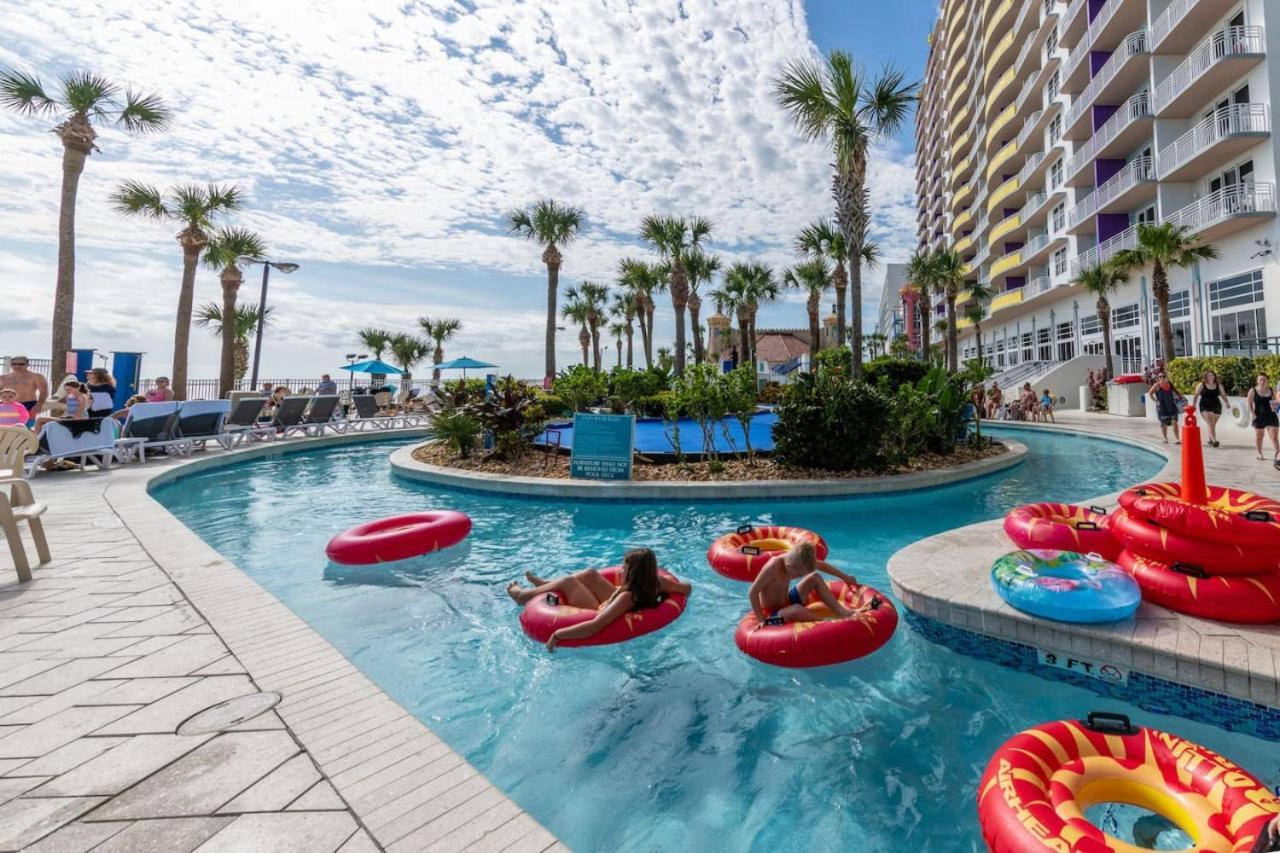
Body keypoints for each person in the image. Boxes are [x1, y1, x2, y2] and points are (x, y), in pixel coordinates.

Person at [505, 548, 692, 652]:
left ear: (633, 572)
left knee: (568, 582)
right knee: (590, 574)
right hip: (618, 596)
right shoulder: (657, 583)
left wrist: (557, 634)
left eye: (625, 567)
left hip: (598, 608)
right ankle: (546, 584)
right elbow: (687, 588)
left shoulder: (627, 597)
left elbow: (595, 625)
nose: (621, 569)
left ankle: (522, 596)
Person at [748, 541, 866, 624]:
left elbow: (822, 566)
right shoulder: (772, 567)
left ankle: (842, 612)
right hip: (773, 612)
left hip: (787, 600)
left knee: (815, 577)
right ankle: (825, 623)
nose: (799, 577)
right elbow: (752, 592)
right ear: (790, 567)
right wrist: (761, 620)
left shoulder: (797, 560)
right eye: (799, 574)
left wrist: (845, 577)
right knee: (796, 609)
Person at [0, 357, 48, 428]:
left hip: (28, 404)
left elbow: (43, 391)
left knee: (25, 428)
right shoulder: (3, 378)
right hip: (7, 405)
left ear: (27, 365)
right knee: (6, 428)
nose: (17, 366)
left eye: (21, 364)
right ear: (11, 365)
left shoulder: (36, 376)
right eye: (14, 364)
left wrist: (39, 404)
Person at [1247, 373, 1280, 461]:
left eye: (1264, 379)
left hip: (1271, 416)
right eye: (1260, 379)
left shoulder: (1271, 389)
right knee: (1259, 436)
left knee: (1274, 436)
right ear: (1257, 381)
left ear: (1267, 380)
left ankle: (1278, 455)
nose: (1262, 381)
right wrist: (1252, 414)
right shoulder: (1253, 390)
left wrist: (1276, 407)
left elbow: (1275, 401)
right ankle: (1259, 453)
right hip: (1258, 416)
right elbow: (1249, 403)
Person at [1192, 370, 1228, 448]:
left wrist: (1227, 403)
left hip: (1216, 405)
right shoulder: (1201, 385)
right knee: (1211, 424)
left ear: (1214, 376)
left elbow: (1223, 395)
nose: (1211, 377)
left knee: (1212, 424)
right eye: (1209, 376)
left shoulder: (1219, 385)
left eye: (1212, 375)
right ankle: (1214, 440)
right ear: (1206, 377)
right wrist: (1194, 405)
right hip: (1205, 405)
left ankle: (1211, 440)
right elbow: (1196, 395)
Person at [1148, 372, 1182, 444]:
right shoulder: (1156, 386)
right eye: (1160, 377)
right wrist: (1156, 401)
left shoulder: (1170, 384)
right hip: (1162, 408)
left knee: (1174, 422)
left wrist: (1180, 397)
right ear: (1158, 378)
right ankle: (1165, 438)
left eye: (1163, 376)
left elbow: (1177, 392)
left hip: (1172, 406)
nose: (1162, 378)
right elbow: (1150, 393)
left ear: (1166, 377)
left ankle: (1177, 439)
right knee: (1164, 424)